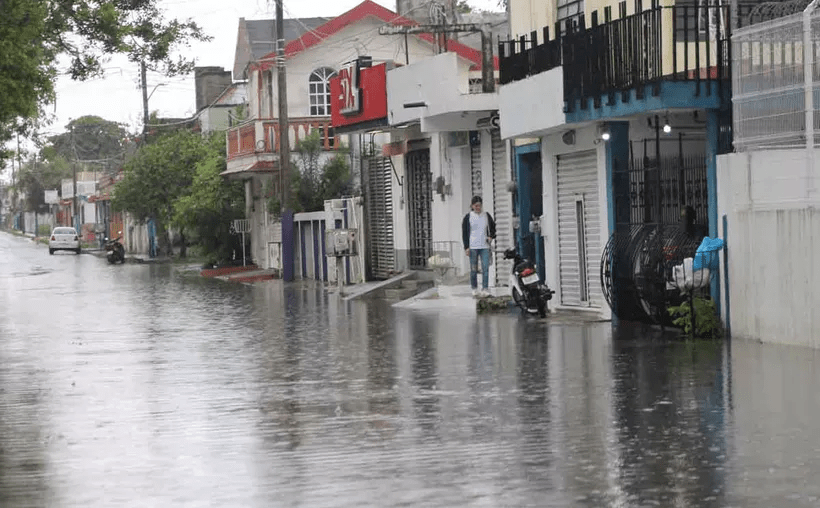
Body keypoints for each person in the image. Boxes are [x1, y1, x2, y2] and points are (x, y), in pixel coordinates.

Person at [462, 195, 496, 298]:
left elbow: (493, 228)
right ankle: (474, 288)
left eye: (479, 206)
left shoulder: (486, 216)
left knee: (485, 268)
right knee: (473, 269)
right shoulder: (468, 217)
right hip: (473, 246)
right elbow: (464, 233)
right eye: (476, 206)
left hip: (484, 246)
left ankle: (485, 288)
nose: (478, 208)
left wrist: (491, 237)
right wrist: (466, 247)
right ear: (472, 206)